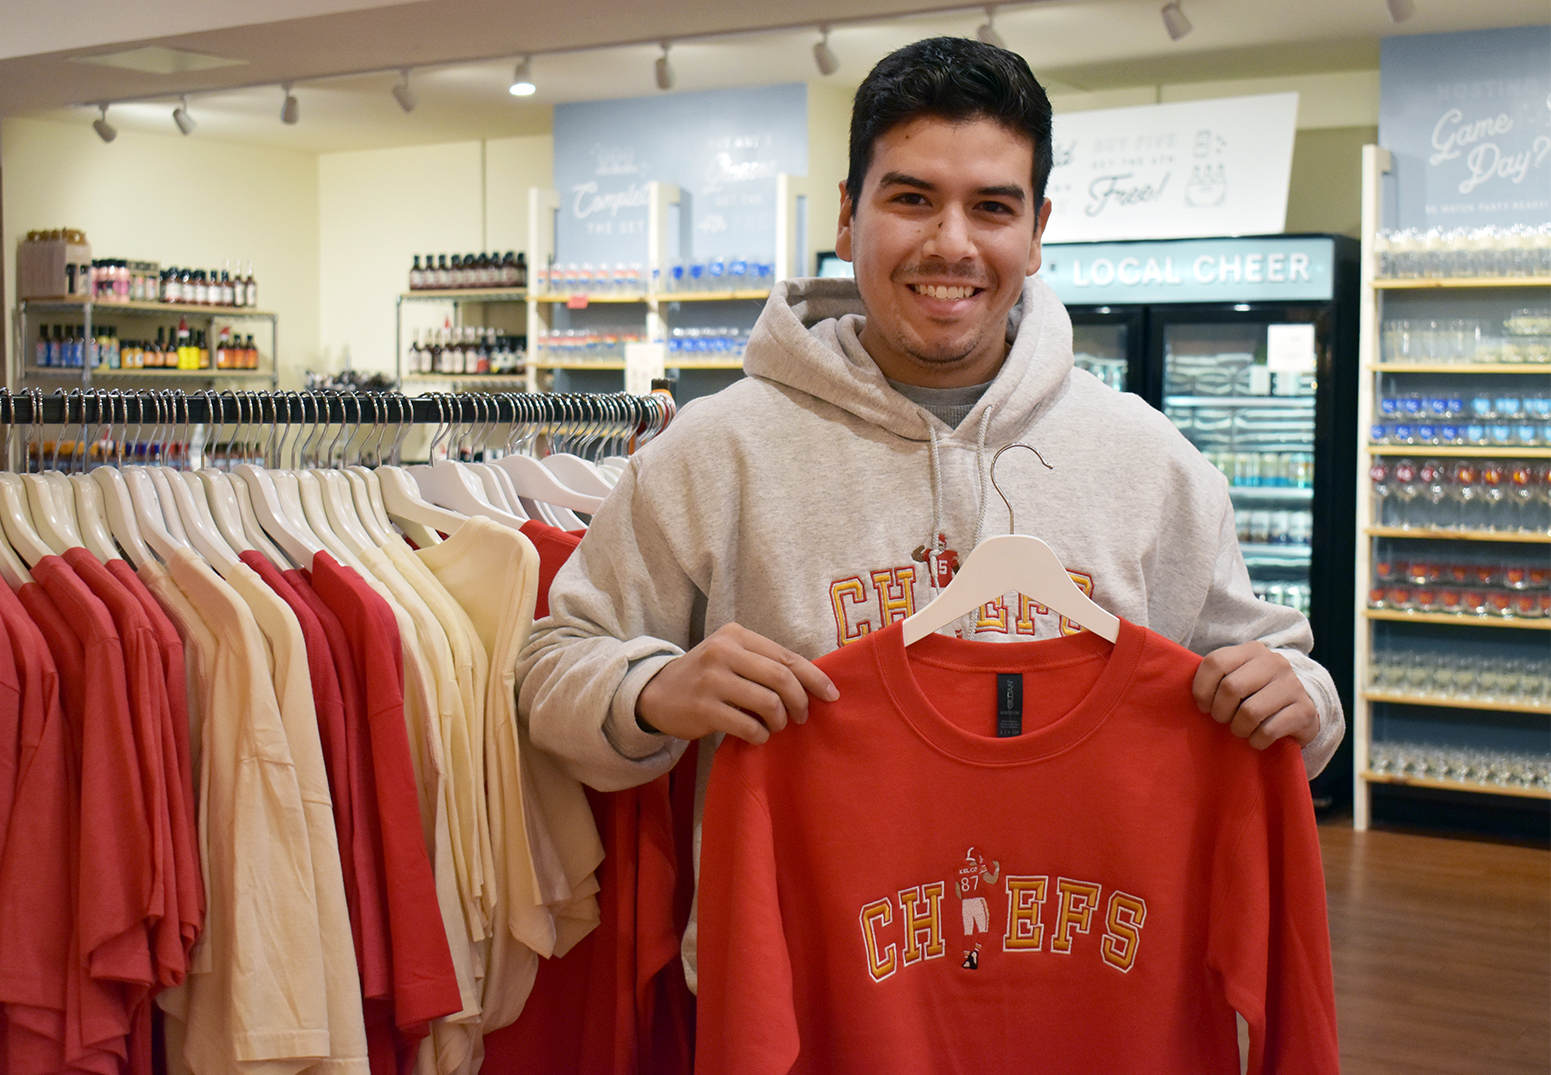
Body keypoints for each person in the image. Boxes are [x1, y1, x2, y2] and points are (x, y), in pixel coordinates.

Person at [516, 34, 1343, 988]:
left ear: (1036, 232)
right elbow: (551, 672)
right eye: (912, 198)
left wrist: (1303, 699)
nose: (951, 243)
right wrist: (654, 691)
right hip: (804, 995)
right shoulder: (715, 448)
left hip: (1089, 979)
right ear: (847, 213)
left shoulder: (1151, 460)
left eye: (991, 208)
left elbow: (1289, 678)